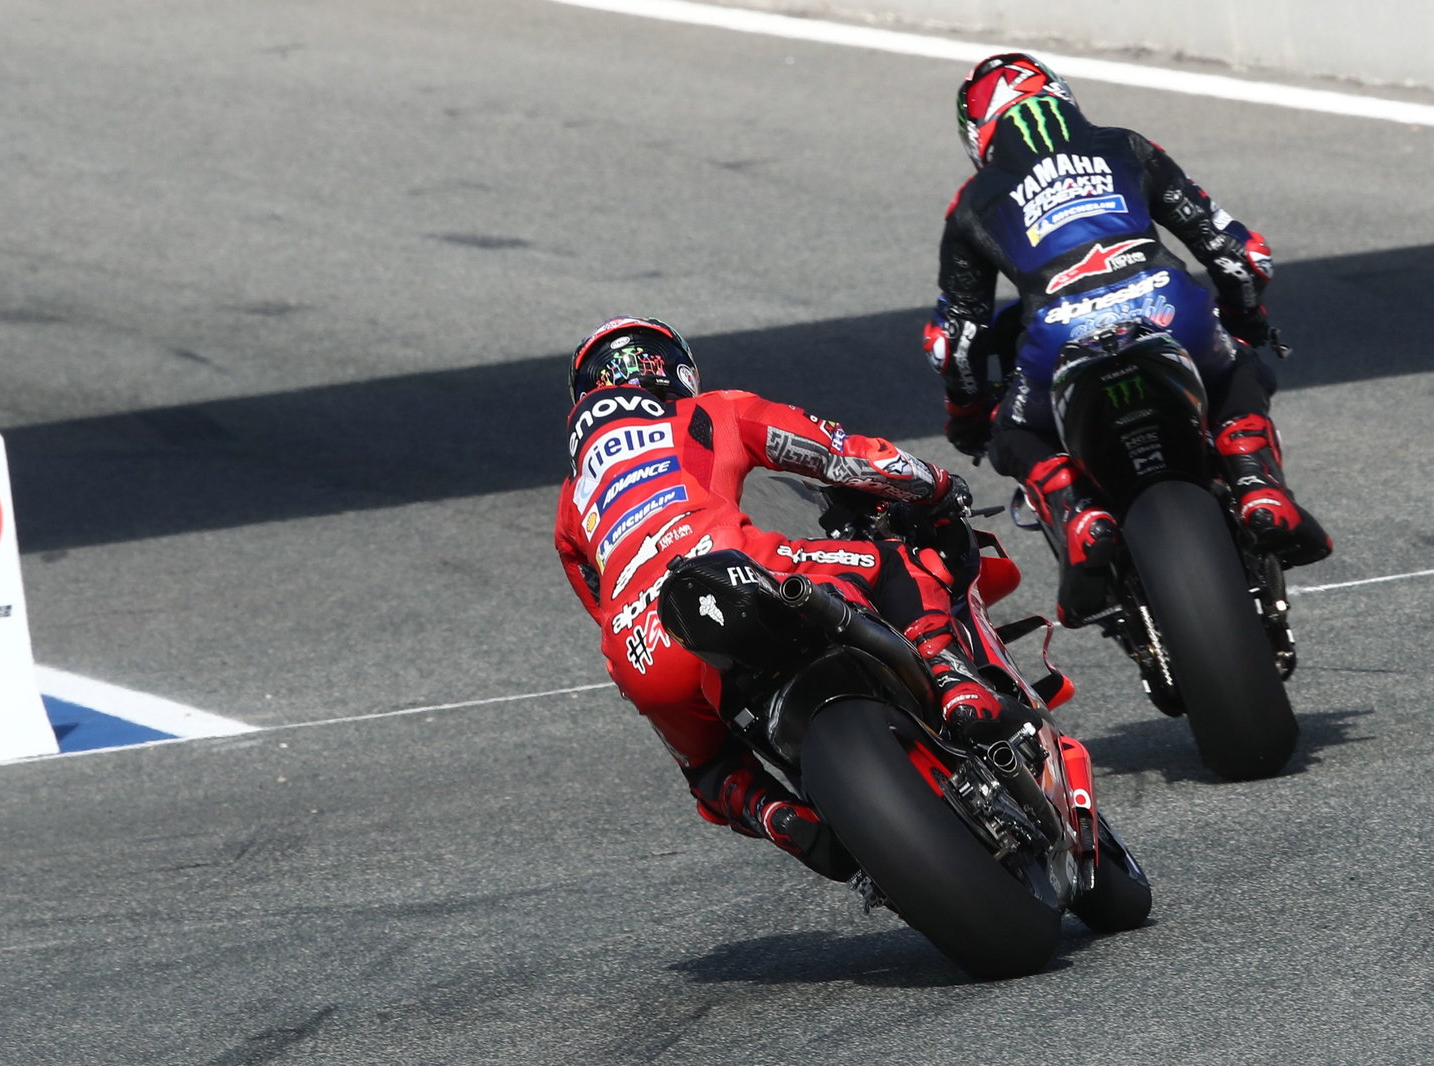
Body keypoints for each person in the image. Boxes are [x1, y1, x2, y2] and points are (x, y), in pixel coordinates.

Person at [555, 316, 1031, 880]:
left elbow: (600, 603)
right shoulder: (710, 411)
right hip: (739, 576)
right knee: (890, 562)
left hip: (647, 650)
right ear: (676, 369)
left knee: (709, 768)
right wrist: (936, 485)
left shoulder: (570, 501)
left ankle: (776, 812)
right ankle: (953, 683)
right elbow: (841, 456)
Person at [922, 52, 1332, 625]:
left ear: (977, 134)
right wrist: (1244, 319)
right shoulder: (1124, 145)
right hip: (1169, 309)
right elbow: (1239, 255)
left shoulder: (973, 201)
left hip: (1057, 338)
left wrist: (968, 413)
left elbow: (956, 341)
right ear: (1062, 97)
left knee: (1013, 432)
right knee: (1240, 368)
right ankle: (1255, 482)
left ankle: (1075, 511)